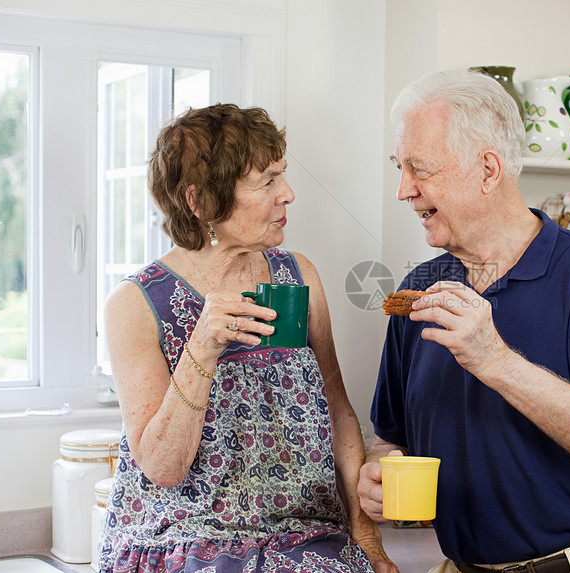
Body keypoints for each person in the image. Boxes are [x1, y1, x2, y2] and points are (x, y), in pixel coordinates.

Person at [357, 69, 570, 573]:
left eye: (419, 169)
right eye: (401, 168)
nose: (404, 190)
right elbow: (391, 436)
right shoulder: (420, 289)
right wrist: (378, 471)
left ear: (488, 170)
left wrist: (494, 360)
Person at [99, 103, 396, 573]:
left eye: (283, 175)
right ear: (200, 202)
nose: (289, 194)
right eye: (267, 182)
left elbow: (339, 413)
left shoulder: (299, 276)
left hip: (306, 537)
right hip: (184, 538)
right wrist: (203, 346)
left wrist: (366, 537)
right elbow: (162, 467)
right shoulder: (135, 304)